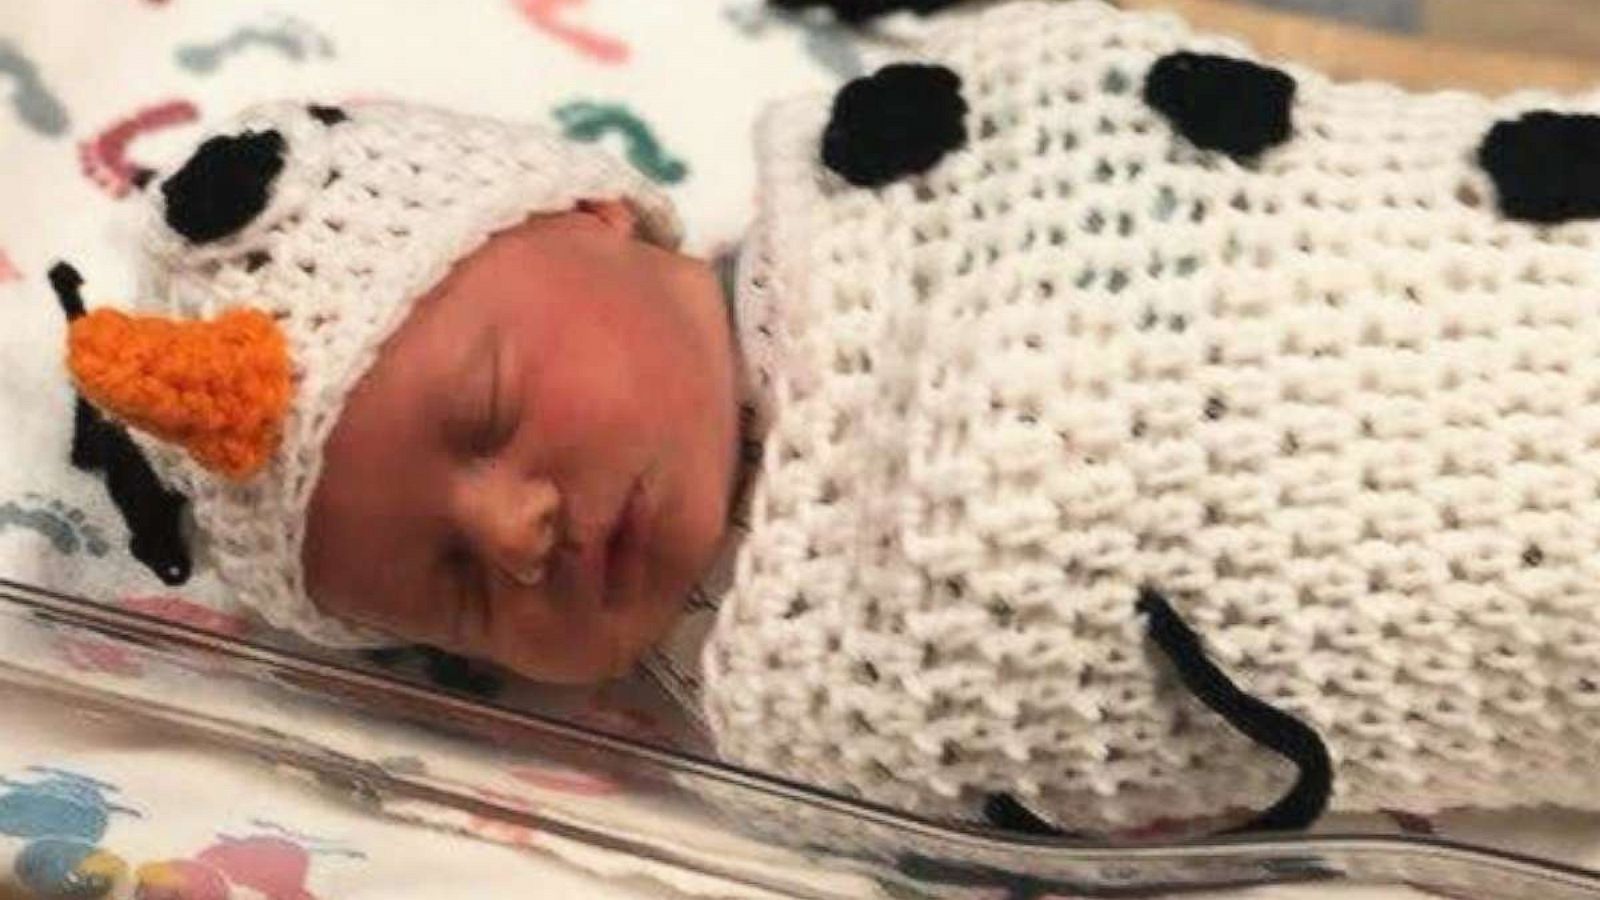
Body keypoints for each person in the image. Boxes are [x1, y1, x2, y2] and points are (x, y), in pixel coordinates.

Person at [63, 0, 1600, 834]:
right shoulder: (771, 733)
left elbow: (1164, 121)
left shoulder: (921, 148)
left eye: (489, 414)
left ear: (604, 213)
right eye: (458, 596)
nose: (516, 523)